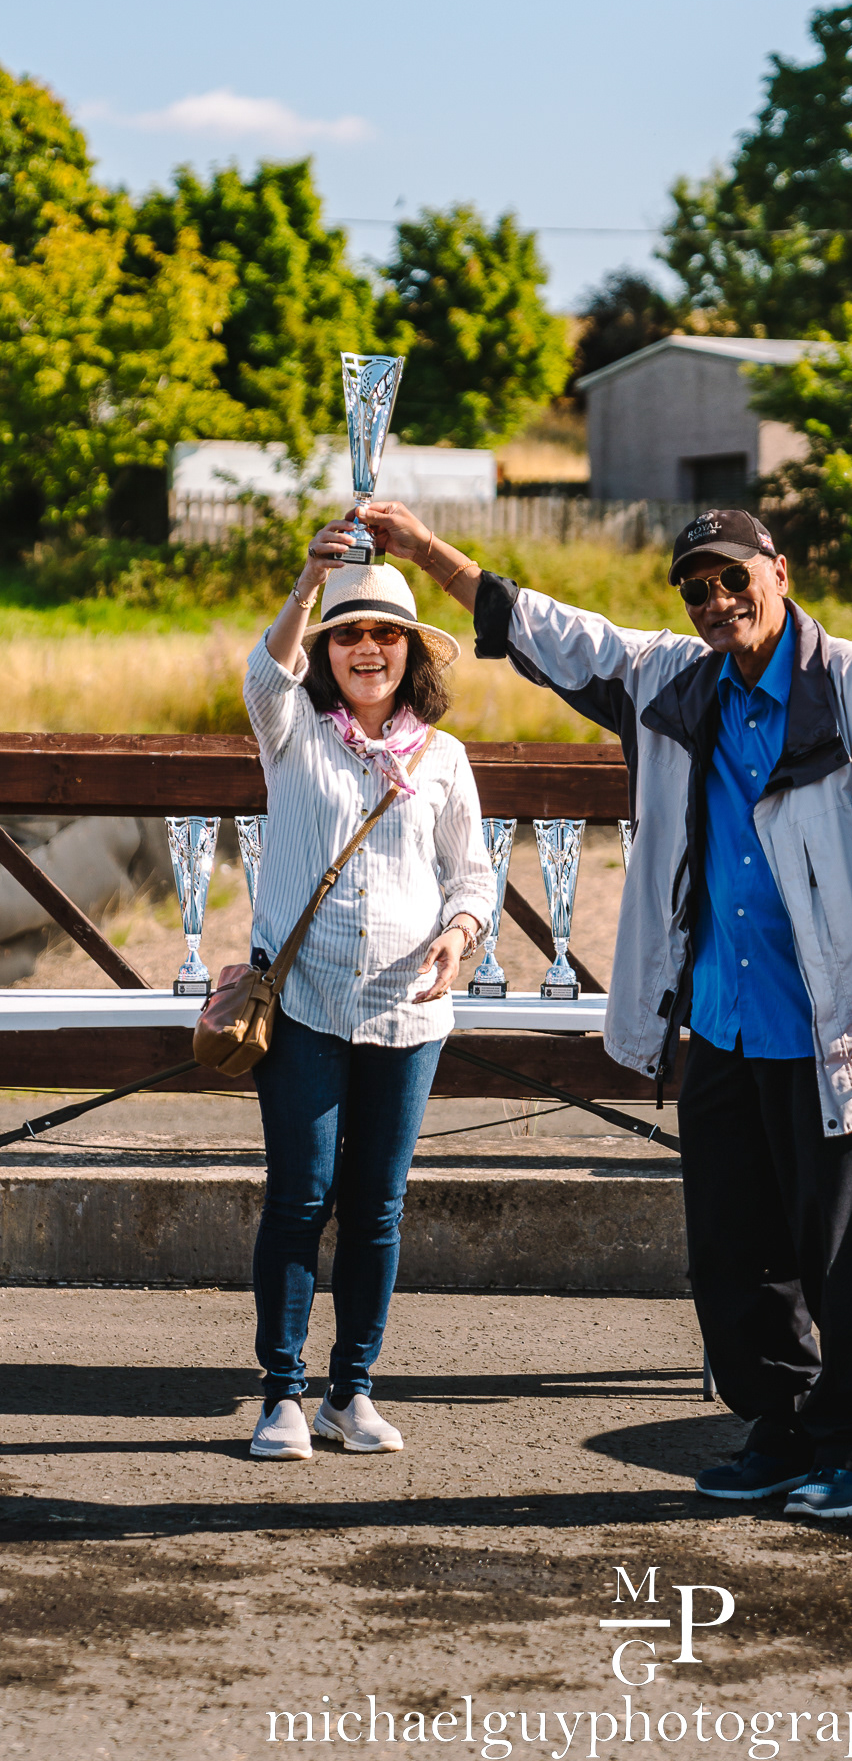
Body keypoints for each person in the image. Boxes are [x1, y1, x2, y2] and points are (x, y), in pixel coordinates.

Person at [360, 500, 852, 1521]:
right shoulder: (672, 681)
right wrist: (424, 552)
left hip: (829, 1021)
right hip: (721, 1018)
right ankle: (778, 1426)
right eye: (696, 587)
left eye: (733, 577)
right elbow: (548, 630)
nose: (717, 599)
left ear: (779, 571)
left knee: (840, 1251)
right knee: (733, 1250)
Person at [242, 533, 495, 1461]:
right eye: (349, 634)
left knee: (378, 1207)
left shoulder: (444, 758)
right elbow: (264, 678)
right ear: (328, 649)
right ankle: (282, 1394)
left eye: (387, 634)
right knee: (299, 1199)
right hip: (304, 1002)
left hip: (409, 1009)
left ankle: (353, 1390)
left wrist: (459, 934)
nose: (368, 649)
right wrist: (312, 578)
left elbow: (474, 875)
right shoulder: (293, 733)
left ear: (412, 651)